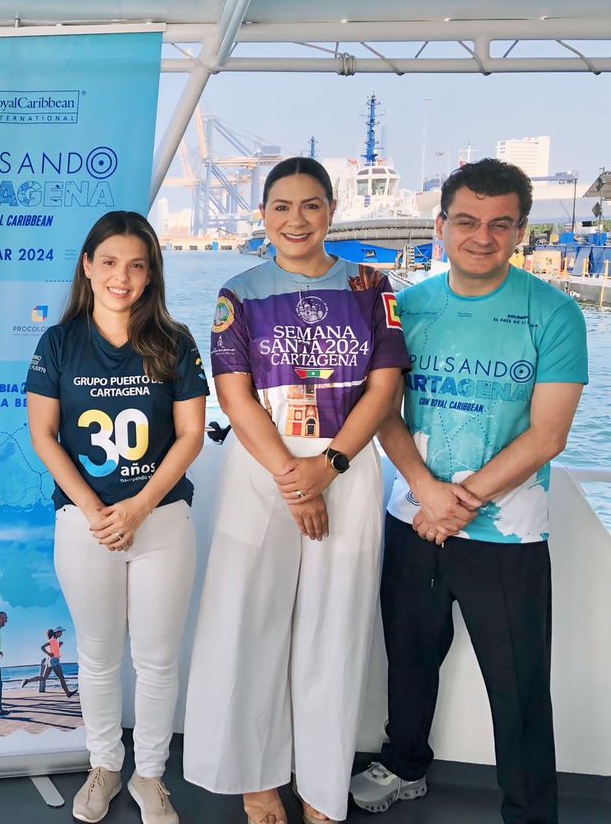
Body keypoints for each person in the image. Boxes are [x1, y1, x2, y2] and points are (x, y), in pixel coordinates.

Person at [350, 159, 588, 824]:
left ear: (520, 231)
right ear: (441, 225)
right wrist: (425, 490)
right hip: (413, 522)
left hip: (506, 536)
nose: (481, 236)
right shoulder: (409, 307)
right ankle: (404, 765)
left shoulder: (555, 314)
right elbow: (382, 412)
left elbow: (548, 435)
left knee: (518, 688)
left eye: (499, 224)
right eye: (467, 221)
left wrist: (459, 502)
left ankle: (530, 810)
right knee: (409, 662)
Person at [183, 157, 409, 824]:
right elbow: (234, 394)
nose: (296, 219)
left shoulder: (372, 285)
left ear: (331, 211)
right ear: (263, 216)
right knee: (250, 623)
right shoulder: (239, 291)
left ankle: (319, 787)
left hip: (347, 468)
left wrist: (329, 466)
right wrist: (293, 476)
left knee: (333, 629)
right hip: (264, 472)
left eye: (311, 205)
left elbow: (385, 384)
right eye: (281, 206)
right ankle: (256, 780)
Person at [27, 210, 208, 824]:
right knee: (99, 655)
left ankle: (150, 775)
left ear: (152, 272)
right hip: (86, 524)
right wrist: (96, 509)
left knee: (157, 658)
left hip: (159, 522)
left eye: (136, 264)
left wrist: (137, 506)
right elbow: (45, 435)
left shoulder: (176, 342)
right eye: (109, 262)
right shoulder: (58, 343)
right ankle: (104, 764)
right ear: (87, 266)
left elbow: (189, 437)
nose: (121, 277)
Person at [20, 627, 77, 697]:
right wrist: (48, 653)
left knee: (44, 678)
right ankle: (68, 693)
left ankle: (27, 681)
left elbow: (54, 651)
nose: (61, 633)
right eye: (61, 632)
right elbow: (42, 647)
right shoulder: (53, 640)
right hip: (54, 661)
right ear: (56, 632)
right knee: (61, 678)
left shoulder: (55, 641)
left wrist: (59, 646)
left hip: (50, 661)